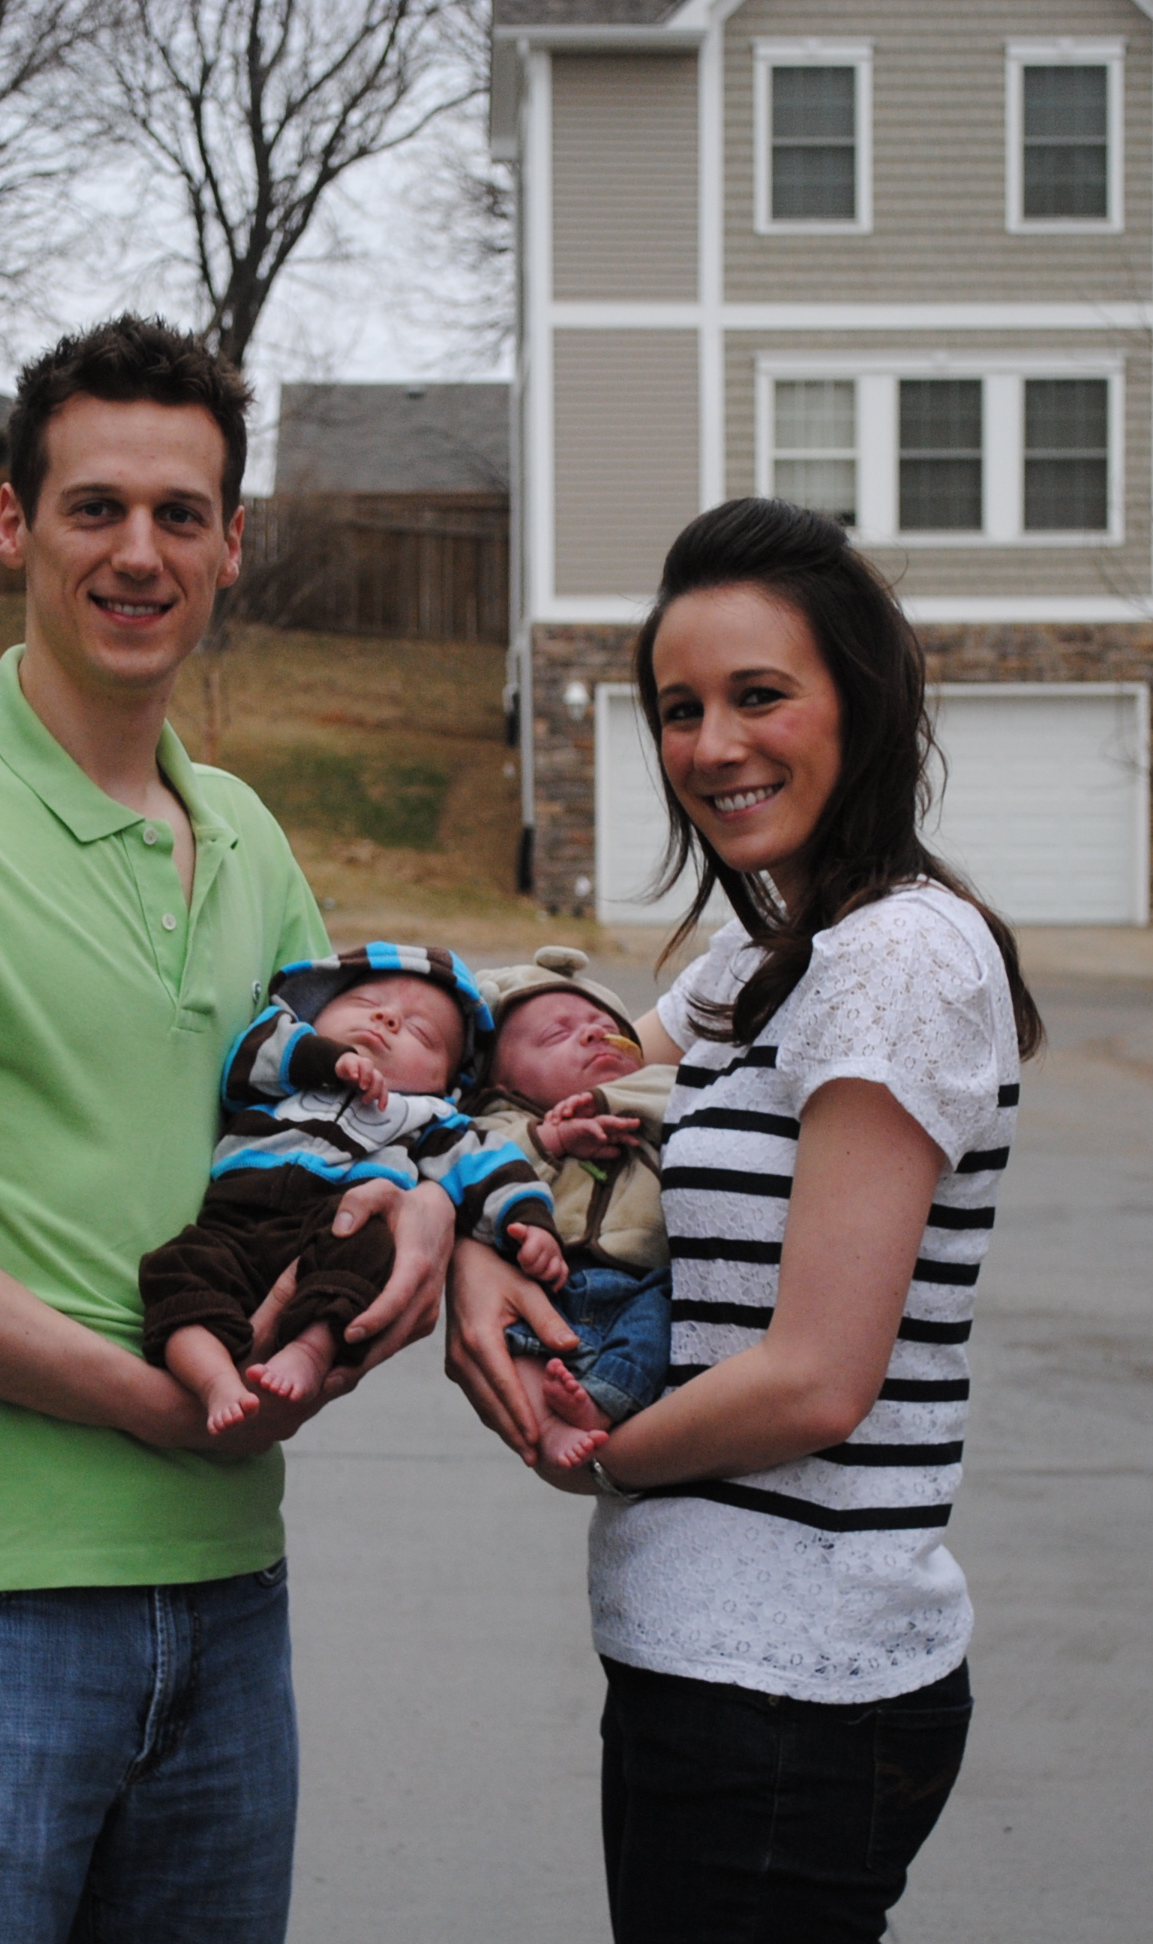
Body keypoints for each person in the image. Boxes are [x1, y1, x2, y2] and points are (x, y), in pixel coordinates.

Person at [0, 314, 450, 1944]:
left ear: (231, 544)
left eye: (180, 513)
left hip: (226, 1597)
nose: (140, 551)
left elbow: (329, 1140)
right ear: (15, 523)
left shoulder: (245, 834)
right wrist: (148, 1401)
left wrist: (413, 1215)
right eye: (96, 507)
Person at [446, 498, 1046, 1943]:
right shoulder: (765, 951)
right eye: (680, 708)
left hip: (793, 1686)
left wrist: (595, 1453)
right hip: (705, 1664)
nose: (713, 745)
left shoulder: (898, 954)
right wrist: (477, 1244)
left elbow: (817, 1380)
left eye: (760, 695)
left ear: (862, 700)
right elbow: (564, 1099)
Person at [142, 944, 566, 1433]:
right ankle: (215, 1381)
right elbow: (248, 1059)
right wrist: (328, 1059)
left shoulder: (426, 1117)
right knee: (178, 1271)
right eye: (365, 1003)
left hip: (334, 1229)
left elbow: (491, 1164)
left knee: (371, 1251)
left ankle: (311, 1349)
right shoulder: (285, 1070)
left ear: (444, 1082)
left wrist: (529, 1221)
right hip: (233, 1224)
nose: (387, 1019)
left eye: (421, 1033)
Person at [462, 947, 676, 1470]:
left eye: (609, 1030)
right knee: (513, 1347)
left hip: (637, 1283)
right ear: (499, 1083)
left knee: (657, 1327)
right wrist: (551, 1140)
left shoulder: (651, 1098)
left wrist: (610, 1101)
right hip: (545, 1286)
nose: (593, 1035)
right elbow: (474, 1176)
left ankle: (600, 1402)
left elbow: (673, 1087)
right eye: (557, 1035)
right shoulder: (494, 1128)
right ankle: (546, 1425)